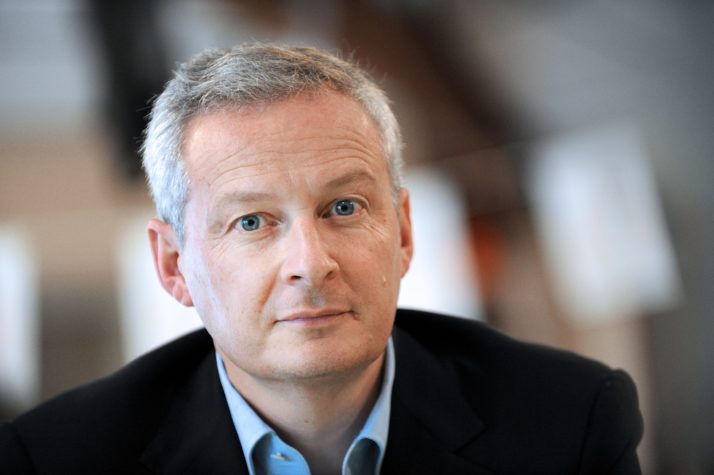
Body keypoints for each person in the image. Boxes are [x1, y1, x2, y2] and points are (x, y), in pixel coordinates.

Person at [0, 43, 643, 474]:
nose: (311, 263)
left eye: (343, 207)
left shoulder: (570, 421)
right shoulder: (56, 458)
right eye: (252, 221)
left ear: (403, 232)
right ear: (173, 265)